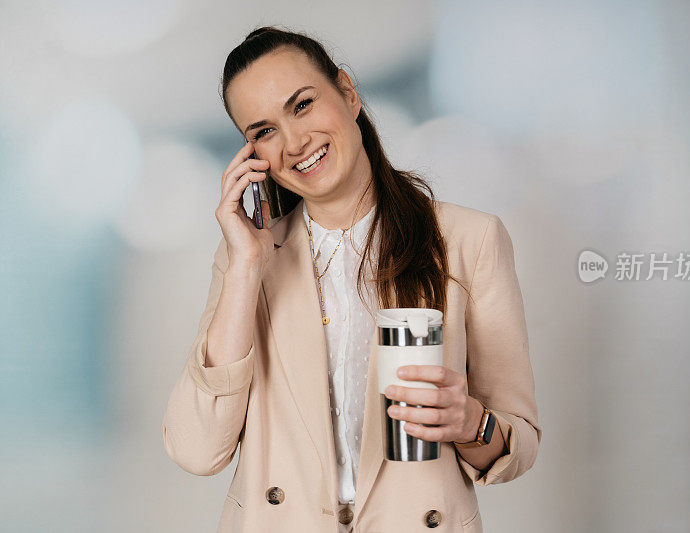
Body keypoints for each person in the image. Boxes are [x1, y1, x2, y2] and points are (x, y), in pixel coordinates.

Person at [161, 26, 541, 533]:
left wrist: (471, 422)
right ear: (252, 157)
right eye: (264, 132)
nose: (295, 143)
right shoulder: (249, 260)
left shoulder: (469, 240)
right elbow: (198, 449)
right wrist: (246, 266)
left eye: (302, 105)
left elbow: (519, 442)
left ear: (347, 92)